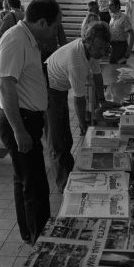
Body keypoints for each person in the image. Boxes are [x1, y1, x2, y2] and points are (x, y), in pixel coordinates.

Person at [0, 0, 61, 245]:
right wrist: (19, 130)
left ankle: (29, 233)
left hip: (27, 119)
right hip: (19, 121)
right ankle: (40, 241)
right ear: (42, 22)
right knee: (34, 185)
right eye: (55, 25)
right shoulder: (15, 40)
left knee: (23, 178)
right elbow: (5, 86)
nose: (56, 31)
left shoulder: (27, 39)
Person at [45, 21, 111, 192]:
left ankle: (70, 174)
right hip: (48, 89)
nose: (102, 52)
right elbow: (79, 99)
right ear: (87, 41)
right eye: (99, 48)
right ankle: (63, 186)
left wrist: (103, 100)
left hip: (59, 88)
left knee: (66, 136)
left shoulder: (91, 52)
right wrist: (83, 125)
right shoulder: (76, 60)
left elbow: (97, 76)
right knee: (57, 140)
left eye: (105, 48)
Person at [108, 0, 134, 64]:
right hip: (113, 46)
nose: (109, 7)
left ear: (117, 6)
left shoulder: (124, 18)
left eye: (111, 5)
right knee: (112, 68)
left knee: (120, 69)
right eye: (109, 5)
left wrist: (129, 50)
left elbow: (132, 34)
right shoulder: (112, 18)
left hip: (121, 47)